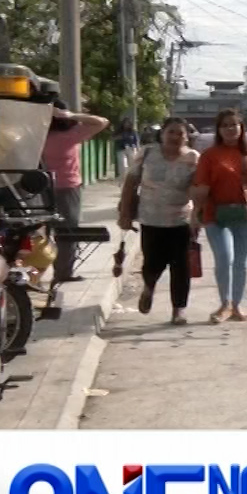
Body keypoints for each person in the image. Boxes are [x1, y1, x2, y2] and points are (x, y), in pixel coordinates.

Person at [190, 108, 247, 324]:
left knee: (242, 262)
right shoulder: (210, 156)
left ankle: (237, 305)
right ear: (219, 130)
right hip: (215, 214)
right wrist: (195, 214)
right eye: (225, 125)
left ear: (241, 128)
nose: (230, 129)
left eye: (234, 124)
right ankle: (224, 304)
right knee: (224, 258)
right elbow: (202, 187)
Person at [119, 117, 199, 325]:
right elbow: (130, 183)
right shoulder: (147, 153)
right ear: (162, 134)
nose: (175, 137)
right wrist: (125, 213)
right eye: (171, 132)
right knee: (152, 263)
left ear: (186, 137)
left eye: (180, 133)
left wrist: (198, 216)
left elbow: (199, 189)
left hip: (181, 219)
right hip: (151, 218)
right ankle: (149, 287)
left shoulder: (193, 158)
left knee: (181, 266)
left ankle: (178, 310)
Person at [38, 99, 111, 282]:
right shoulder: (71, 135)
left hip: (41, 189)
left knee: (42, 232)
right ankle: (63, 273)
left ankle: (36, 272)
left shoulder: (37, 135)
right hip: (67, 188)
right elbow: (102, 122)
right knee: (67, 232)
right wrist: (71, 115)